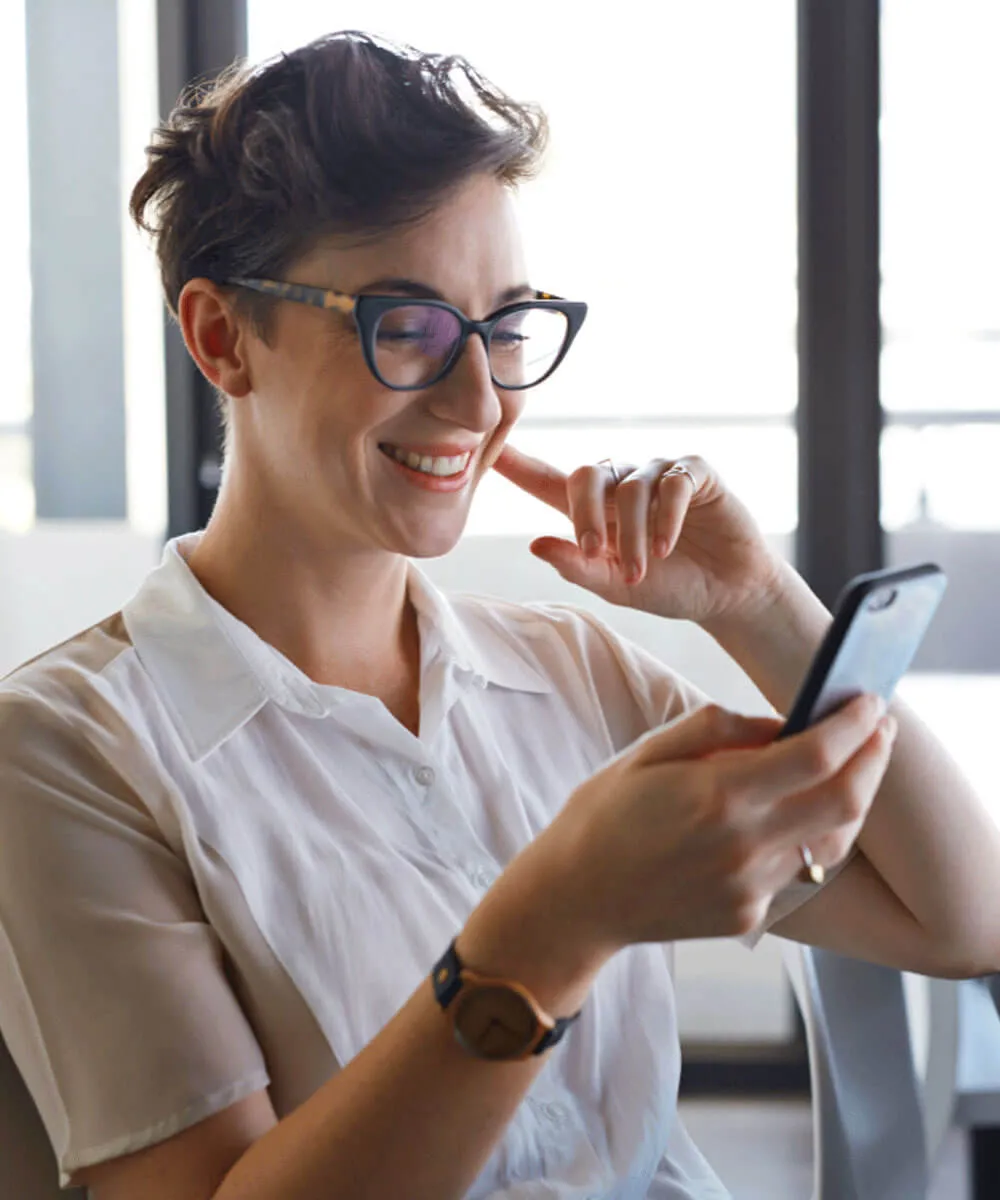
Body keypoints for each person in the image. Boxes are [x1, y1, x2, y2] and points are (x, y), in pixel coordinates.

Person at [0, 30, 997, 1200]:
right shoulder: (68, 754)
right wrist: (550, 926)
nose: (480, 400)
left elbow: (960, 920)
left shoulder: (568, 674)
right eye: (407, 326)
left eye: (506, 327)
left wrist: (760, 606)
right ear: (224, 338)